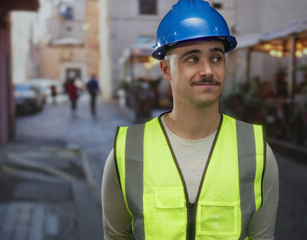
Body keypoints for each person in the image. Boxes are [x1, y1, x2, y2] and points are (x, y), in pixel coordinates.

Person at [101, 1, 279, 239]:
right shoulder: (127, 152)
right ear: (166, 70)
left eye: (216, 58)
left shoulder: (256, 151)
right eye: (192, 59)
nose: (207, 69)